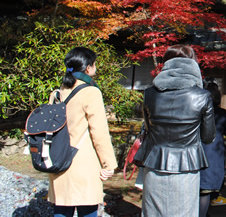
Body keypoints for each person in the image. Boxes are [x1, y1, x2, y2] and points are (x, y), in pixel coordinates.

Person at [134, 44, 216, 217]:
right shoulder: (202, 96)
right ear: (192, 64)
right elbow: (208, 137)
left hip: (154, 162)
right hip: (187, 164)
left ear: (165, 63)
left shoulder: (149, 93)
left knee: (153, 212)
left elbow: (149, 129)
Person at [48, 47, 117, 217]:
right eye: (94, 64)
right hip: (82, 163)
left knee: (62, 209)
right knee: (87, 210)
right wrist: (109, 163)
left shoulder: (57, 93)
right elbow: (99, 131)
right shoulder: (90, 92)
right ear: (88, 68)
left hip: (59, 159)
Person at [199, 81, 226, 216]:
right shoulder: (223, 114)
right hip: (214, 154)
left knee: (200, 189)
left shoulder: (198, 112)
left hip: (197, 153)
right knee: (206, 190)